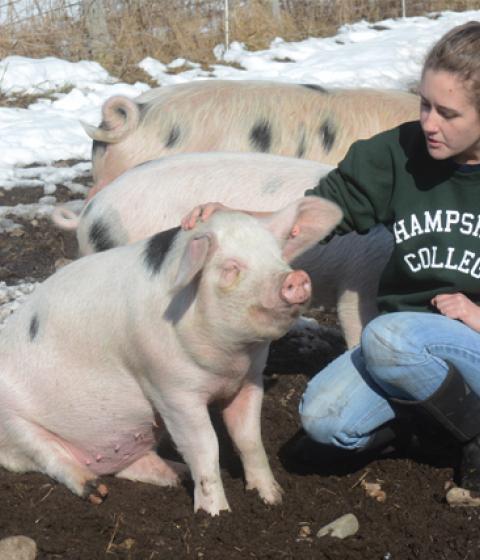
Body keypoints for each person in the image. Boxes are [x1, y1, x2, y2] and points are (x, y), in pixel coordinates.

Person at [182, 21, 480, 491]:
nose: (428, 122)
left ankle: (470, 432)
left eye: (448, 113)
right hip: (405, 348)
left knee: (385, 335)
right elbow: (315, 216)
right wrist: (238, 218)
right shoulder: (398, 154)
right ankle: (435, 425)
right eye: (424, 104)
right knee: (325, 421)